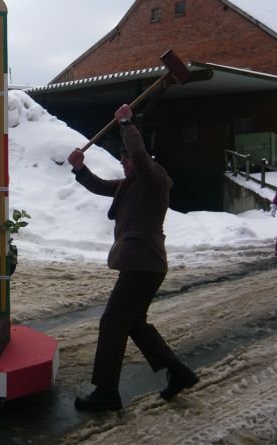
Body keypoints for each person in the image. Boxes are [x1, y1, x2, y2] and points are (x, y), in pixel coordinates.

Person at [67, 104, 198, 412]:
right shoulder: (131, 184)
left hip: (143, 263)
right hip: (143, 264)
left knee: (113, 322)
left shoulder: (154, 179)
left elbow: (139, 155)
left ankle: (106, 392)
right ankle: (178, 373)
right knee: (134, 323)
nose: (125, 163)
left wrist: (126, 123)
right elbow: (101, 186)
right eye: (122, 159)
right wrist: (80, 169)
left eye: (127, 158)